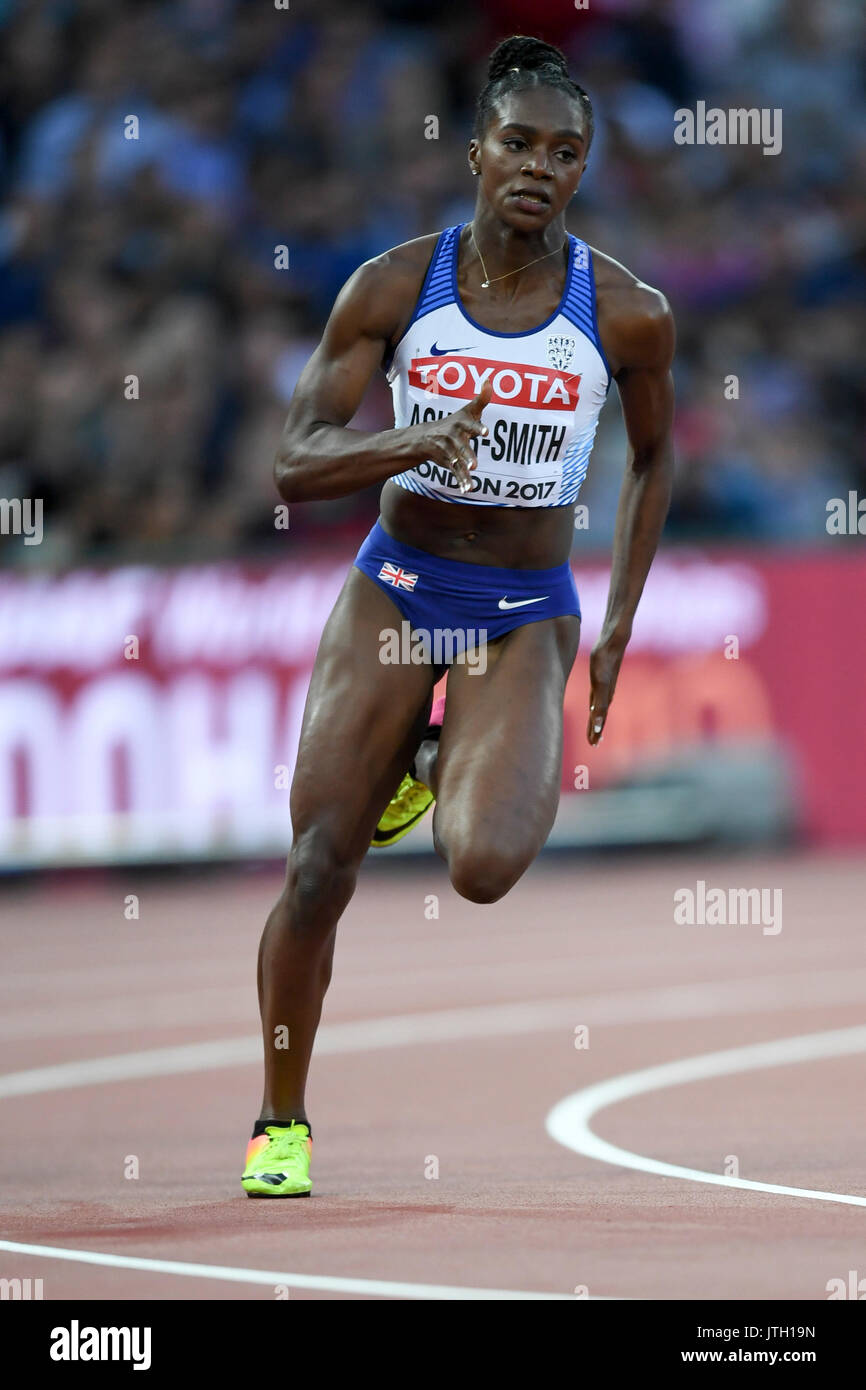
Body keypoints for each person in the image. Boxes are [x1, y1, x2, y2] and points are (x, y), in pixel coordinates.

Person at [241, 34, 674, 1197]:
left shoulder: (626, 313)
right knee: (321, 861)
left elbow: (653, 458)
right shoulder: (392, 287)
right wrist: (410, 439)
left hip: (524, 606)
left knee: (480, 866)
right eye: (518, 142)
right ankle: (281, 1121)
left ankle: (426, 756)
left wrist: (620, 615)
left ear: (581, 171)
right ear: (476, 150)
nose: (538, 166)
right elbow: (292, 461)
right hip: (398, 586)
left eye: (564, 152)